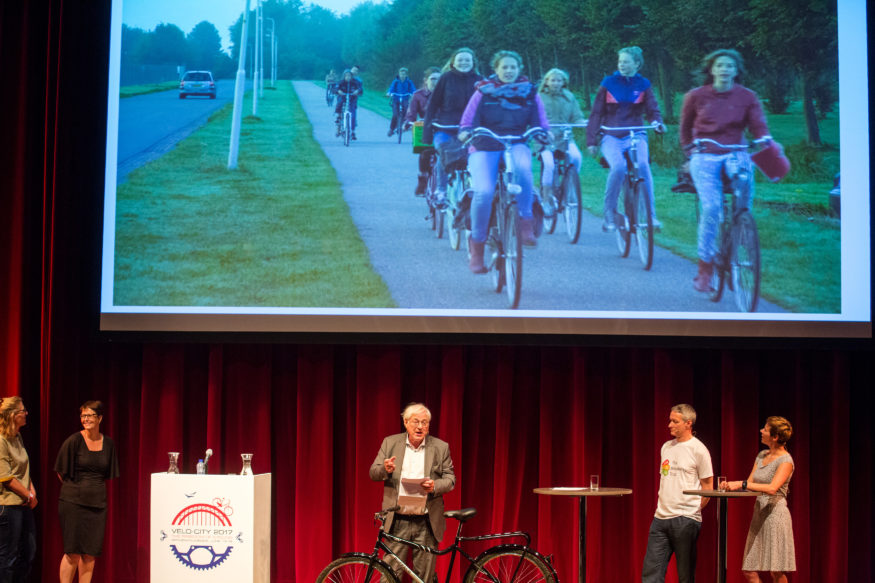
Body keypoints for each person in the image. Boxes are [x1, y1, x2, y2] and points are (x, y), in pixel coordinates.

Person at [679, 49, 771, 292]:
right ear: (711, 69)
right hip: (705, 153)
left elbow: (758, 124)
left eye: (730, 65)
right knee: (711, 208)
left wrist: (763, 138)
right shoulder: (696, 96)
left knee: (745, 183)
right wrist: (690, 154)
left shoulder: (747, 96)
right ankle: (705, 268)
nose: (725, 69)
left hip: (735, 150)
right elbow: (685, 129)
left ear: (736, 70)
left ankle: (742, 228)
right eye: (720, 65)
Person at [458, 50, 550, 270]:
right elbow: (467, 121)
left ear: (519, 70)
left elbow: (540, 121)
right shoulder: (483, 91)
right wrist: (466, 132)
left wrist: (543, 134)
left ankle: (525, 222)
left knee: (524, 170)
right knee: (484, 192)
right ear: (496, 69)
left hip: (516, 142)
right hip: (484, 145)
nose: (508, 71)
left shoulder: (530, 92)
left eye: (513, 67)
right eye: (504, 67)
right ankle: (477, 247)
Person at [368, 403, 455, 583]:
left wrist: (435, 486)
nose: (420, 426)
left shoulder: (440, 447)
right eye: (416, 421)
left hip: (427, 521)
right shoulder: (390, 443)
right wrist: (385, 469)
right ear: (406, 422)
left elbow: (450, 480)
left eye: (425, 422)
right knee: (389, 575)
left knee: (424, 578)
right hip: (398, 519)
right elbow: (373, 473)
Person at [586, 46, 664, 233]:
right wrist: (591, 140)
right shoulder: (608, 83)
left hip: (636, 133)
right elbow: (596, 112)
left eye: (626, 61)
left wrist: (657, 123)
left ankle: (651, 215)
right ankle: (610, 213)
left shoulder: (644, 84)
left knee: (643, 166)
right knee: (618, 167)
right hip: (612, 135)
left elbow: (652, 109)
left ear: (637, 64)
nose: (622, 64)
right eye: (620, 61)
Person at [642, 404, 714, 583]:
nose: (669, 425)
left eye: (675, 421)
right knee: (651, 574)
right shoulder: (666, 447)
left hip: (686, 519)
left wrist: (693, 510)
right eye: (670, 420)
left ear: (688, 423)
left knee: (685, 576)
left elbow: (708, 487)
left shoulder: (699, 450)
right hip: (660, 518)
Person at [720, 417, 795, 583]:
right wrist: (732, 485)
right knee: (749, 569)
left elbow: (772, 488)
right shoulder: (761, 455)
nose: (761, 431)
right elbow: (750, 483)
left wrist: (742, 483)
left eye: (765, 429)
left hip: (776, 516)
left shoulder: (786, 461)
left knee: (776, 571)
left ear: (775, 437)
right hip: (759, 514)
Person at [55, 400, 120, 583]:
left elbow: (106, 473)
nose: (85, 419)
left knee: (90, 555)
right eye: (83, 416)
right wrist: (77, 489)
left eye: (89, 415)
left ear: (100, 418)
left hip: (97, 505)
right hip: (73, 503)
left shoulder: (108, 444)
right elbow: (61, 471)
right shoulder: (74, 441)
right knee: (72, 552)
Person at [423, 48, 483, 208]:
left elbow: (486, 107)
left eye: (467, 60)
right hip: (445, 127)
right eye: (460, 60)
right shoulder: (445, 79)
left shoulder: (480, 81)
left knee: (478, 157)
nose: (464, 63)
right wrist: (427, 133)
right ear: (453, 63)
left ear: (473, 62)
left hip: (471, 131)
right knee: (444, 151)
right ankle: (440, 191)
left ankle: (475, 191)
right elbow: (433, 105)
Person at [537, 68, 586, 217]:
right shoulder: (539, 97)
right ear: (547, 81)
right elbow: (535, 117)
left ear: (564, 82)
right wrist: (543, 130)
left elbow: (576, 116)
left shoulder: (569, 97)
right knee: (549, 165)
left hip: (565, 137)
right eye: (553, 80)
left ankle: (570, 185)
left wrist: (582, 122)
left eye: (559, 80)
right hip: (545, 138)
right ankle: (546, 200)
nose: (556, 83)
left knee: (577, 157)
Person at [0, 396, 37, 583]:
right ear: (13, 415)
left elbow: (24, 469)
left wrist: (32, 490)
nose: (26, 413)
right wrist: (28, 494)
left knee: (29, 552)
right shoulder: (1, 440)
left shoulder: (17, 436)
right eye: (23, 411)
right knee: (8, 557)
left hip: (23, 503)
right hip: (8, 506)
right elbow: (6, 478)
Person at [405, 67, 442, 196]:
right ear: (426, 80)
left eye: (439, 79)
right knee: (425, 152)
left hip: (445, 128)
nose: (436, 82)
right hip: (425, 128)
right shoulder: (418, 95)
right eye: (433, 79)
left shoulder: (448, 93)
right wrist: (409, 122)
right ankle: (423, 179)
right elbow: (411, 113)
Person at [386, 67, 416, 137]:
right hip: (396, 99)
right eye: (401, 74)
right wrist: (389, 93)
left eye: (404, 74)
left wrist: (414, 93)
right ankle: (391, 129)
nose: (402, 75)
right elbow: (391, 88)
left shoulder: (409, 82)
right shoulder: (396, 81)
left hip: (405, 99)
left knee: (406, 113)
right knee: (395, 115)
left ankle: (401, 127)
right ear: (399, 74)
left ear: (406, 75)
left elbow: (413, 89)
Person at [334, 69, 363, 140]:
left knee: (353, 115)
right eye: (346, 76)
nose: (348, 77)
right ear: (344, 76)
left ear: (351, 76)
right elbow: (335, 88)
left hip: (352, 99)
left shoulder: (355, 82)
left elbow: (360, 89)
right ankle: (338, 115)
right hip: (343, 98)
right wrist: (338, 91)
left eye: (349, 76)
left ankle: (351, 130)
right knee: (339, 103)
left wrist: (357, 91)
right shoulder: (340, 82)